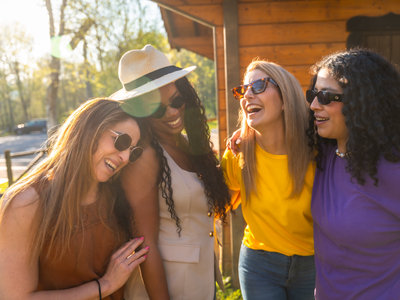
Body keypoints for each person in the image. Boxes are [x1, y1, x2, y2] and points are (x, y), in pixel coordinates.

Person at [307, 48, 400, 299]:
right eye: (313, 94)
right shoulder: (328, 154)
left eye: (326, 96)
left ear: (362, 102)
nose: (313, 104)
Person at [110, 44, 230, 300]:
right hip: (164, 288)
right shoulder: (144, 158)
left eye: (177, 101)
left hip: (198, 283)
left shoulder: (187, 145)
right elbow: (145, 244)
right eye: (157, 108)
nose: (173, 113)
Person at [0, 98, 148, 300]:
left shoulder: (115, 197)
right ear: (90, 129)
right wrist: (105, 285)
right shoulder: (27, 203)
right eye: (122, 142)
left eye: (133, 152)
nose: (124, 158)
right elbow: (16, 298)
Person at [221, 59, 316, 300]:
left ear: (286, 97)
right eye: (243, 90)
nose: (247, 96)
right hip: (258, 266)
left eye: (259, 86)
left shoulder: (317, 152)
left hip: (313, 265)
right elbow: (221, 201)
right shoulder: (238, 154)